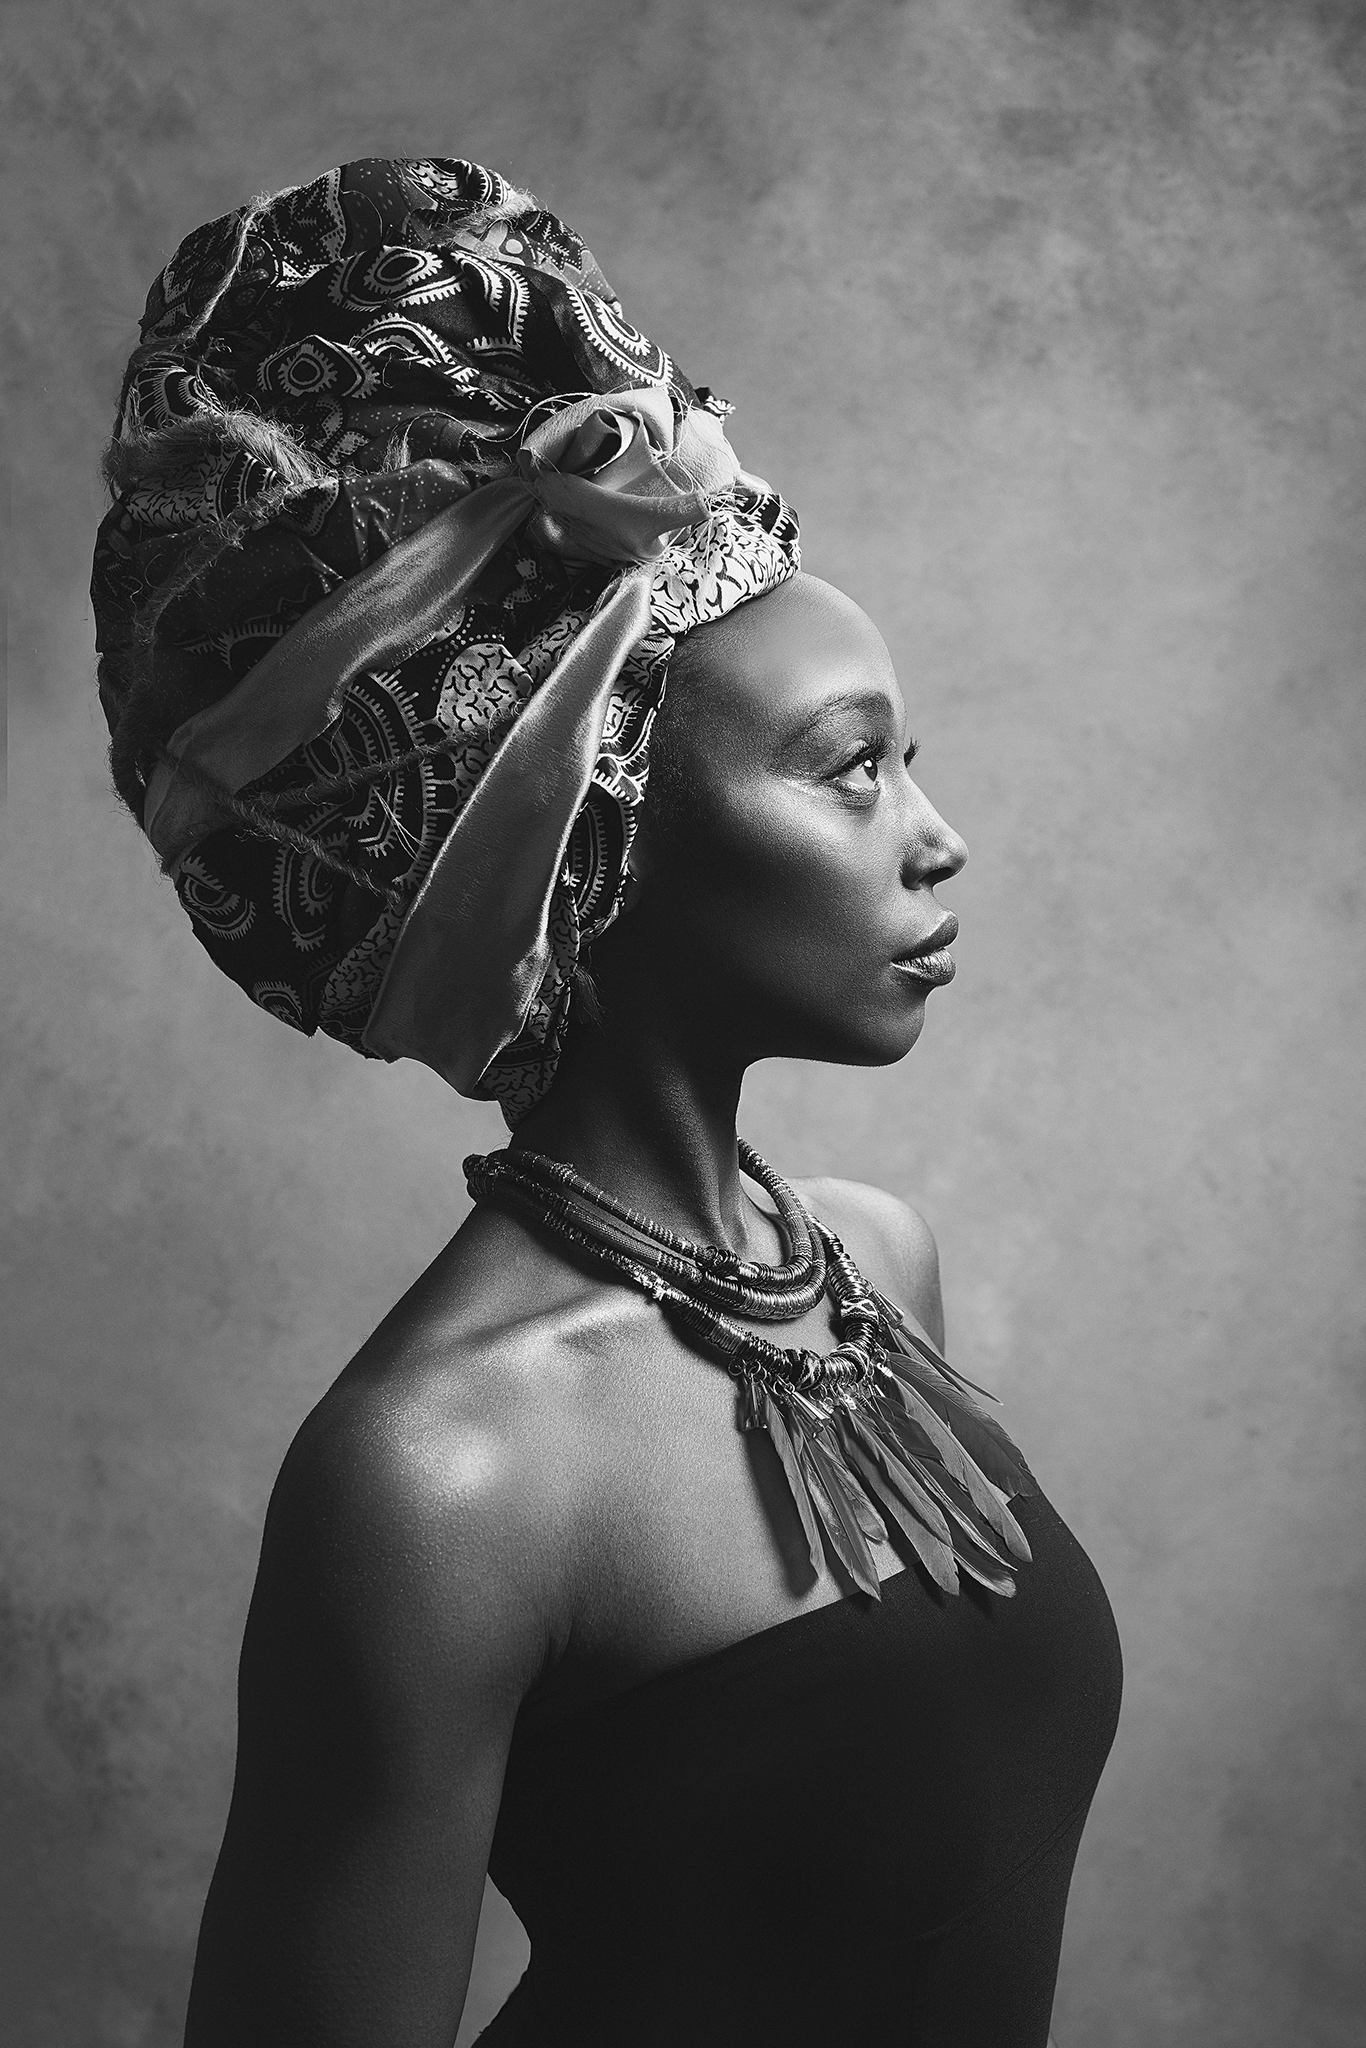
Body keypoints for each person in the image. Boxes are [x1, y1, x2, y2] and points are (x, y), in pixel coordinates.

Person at [93, 157, 1121, 2048]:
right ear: (590, 840)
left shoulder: (874, 1263)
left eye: (910, 758)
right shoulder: (437, 1475)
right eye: (850, 769)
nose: (935, 838)